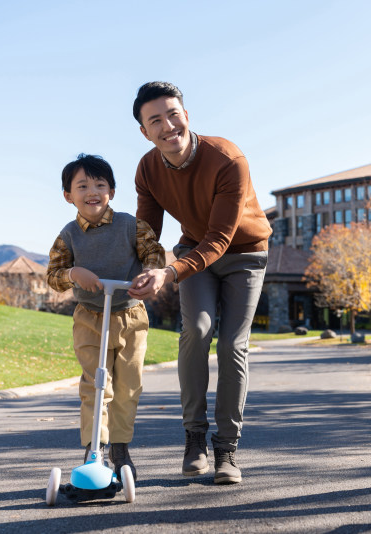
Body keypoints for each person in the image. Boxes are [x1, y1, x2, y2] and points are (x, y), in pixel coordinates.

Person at [128, 81, 271, 485]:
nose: (167, 125)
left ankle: (227, 449)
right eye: (155, 120)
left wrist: (169, 272)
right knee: (196, 329)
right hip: (195, 252)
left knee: (231, 343)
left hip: (245, 253)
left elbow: (221, 238)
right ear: (144, 131)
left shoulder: (228, 158)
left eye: (173, 114)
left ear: (186, 115)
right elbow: (147, 231)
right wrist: (135, 267)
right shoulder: (148, 169)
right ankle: (195, 438)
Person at [46, 153, 165, 480]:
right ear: (69, 195)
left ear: (111, 190)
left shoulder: (131, 225)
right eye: (82, 185)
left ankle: (120, 449)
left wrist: (150, 273)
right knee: (96, 384)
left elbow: (152, 252)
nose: (91, 191)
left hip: (130, 316)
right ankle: (93, 448)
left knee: (128, 385)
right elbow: (53, 275)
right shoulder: (69, 234)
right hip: (90, 317)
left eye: (99, 184)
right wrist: (73, 272)